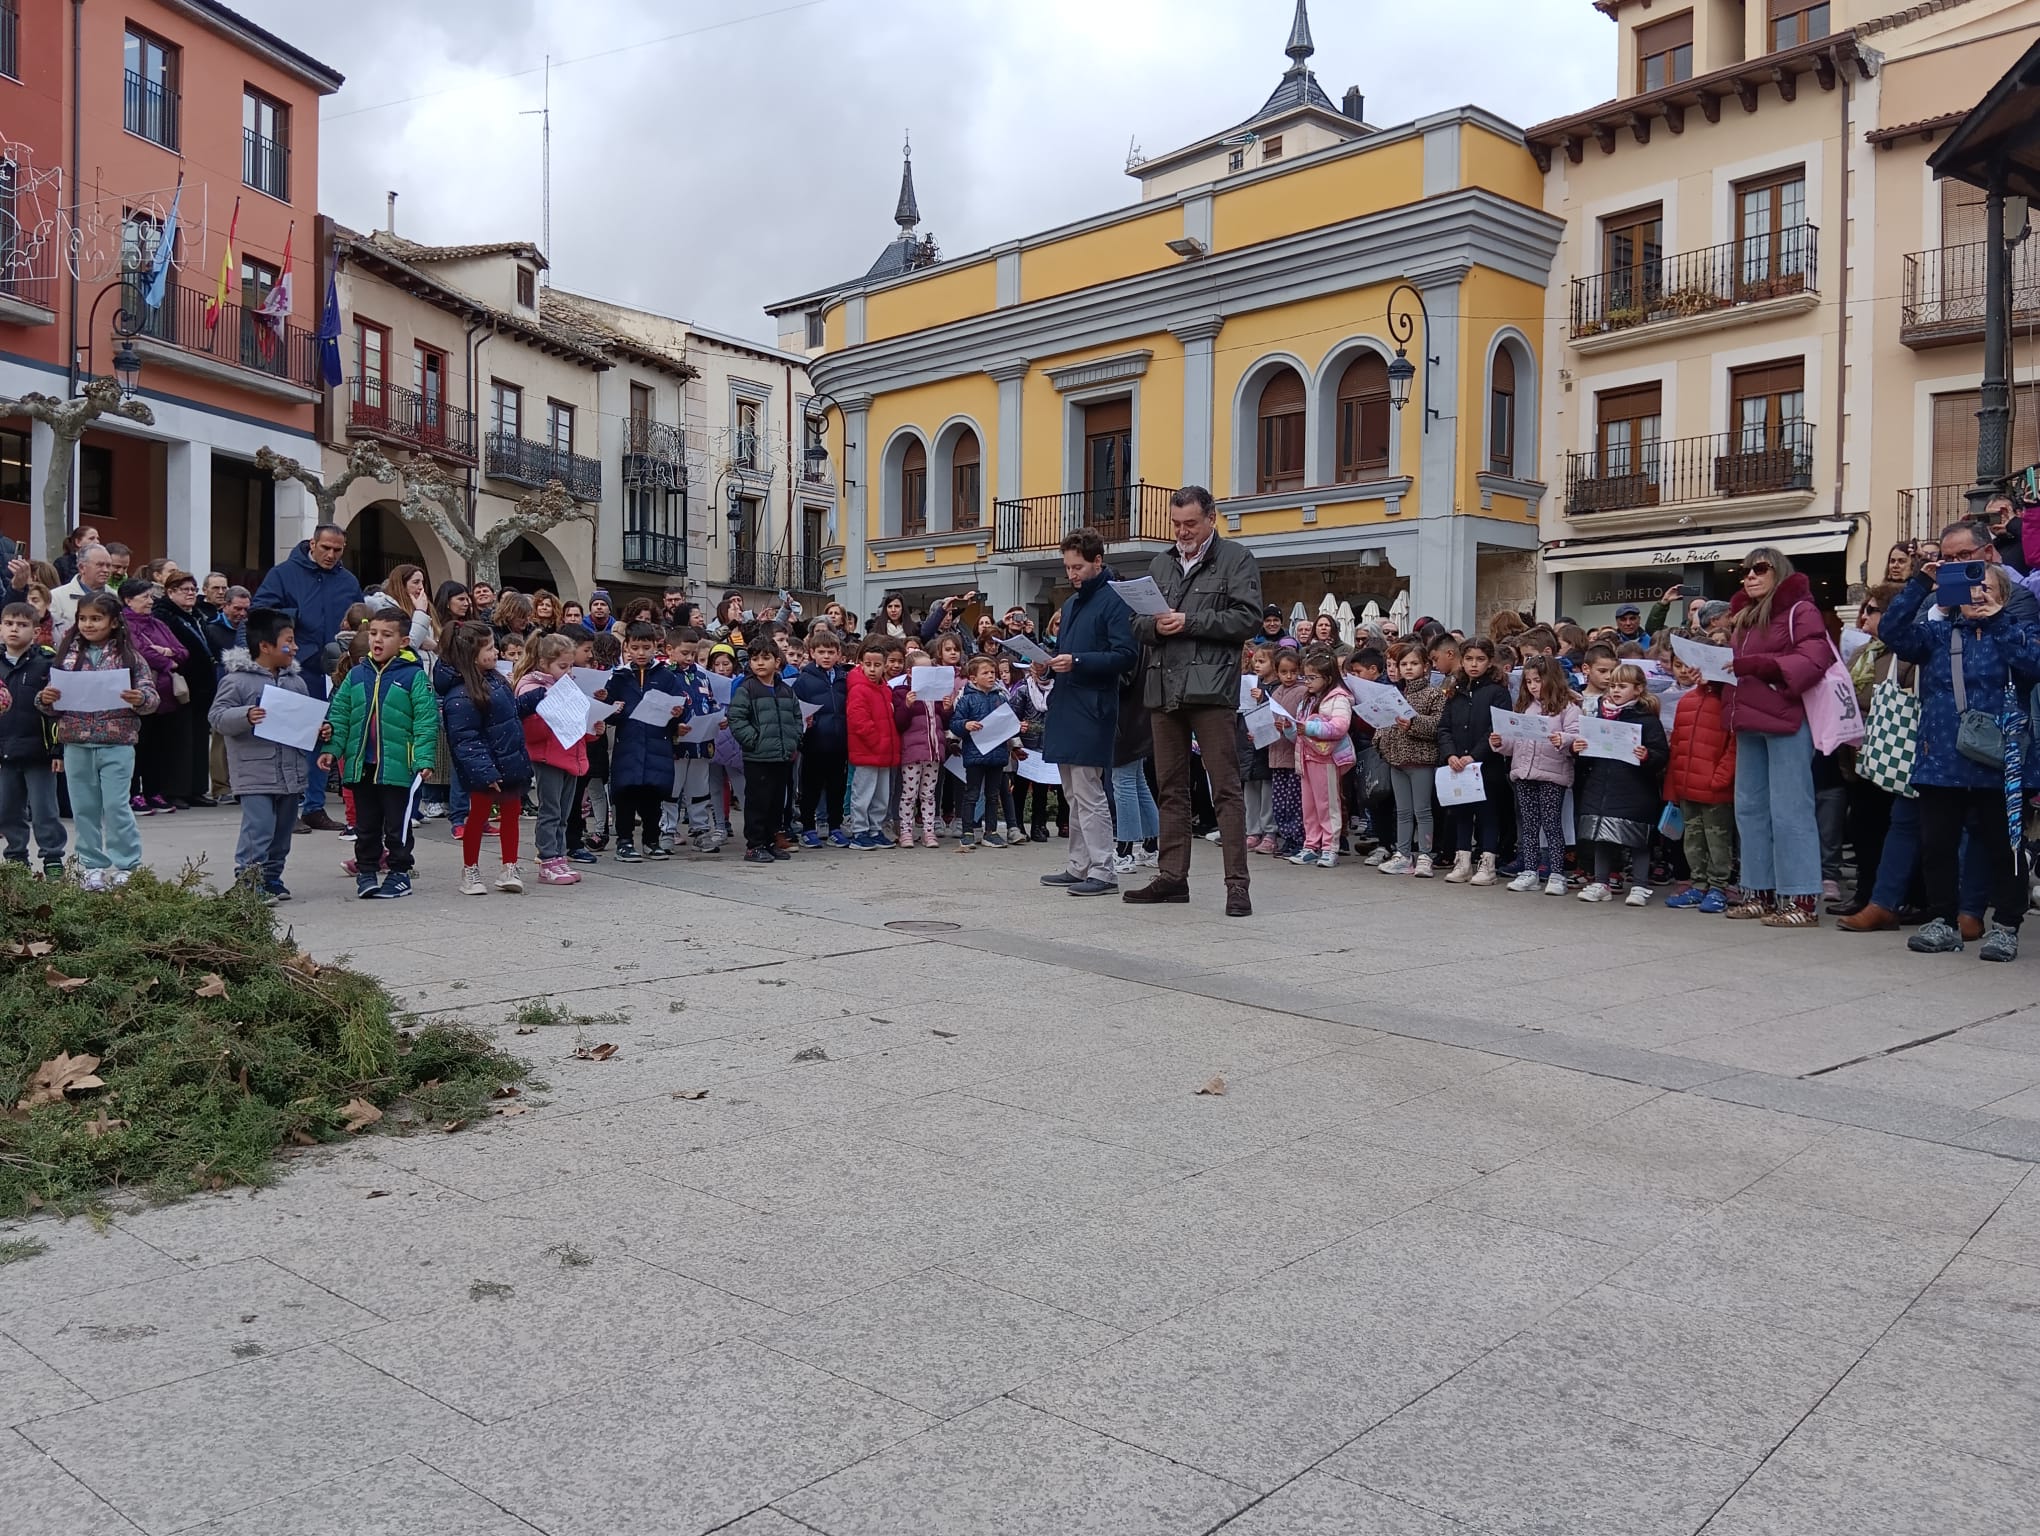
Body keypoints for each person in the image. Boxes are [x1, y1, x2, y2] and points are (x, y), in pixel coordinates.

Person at [1880, 560, 2040, 960]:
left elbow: (2034, 664)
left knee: (2006, 848)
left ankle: (2006, 926)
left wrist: (2000, 621)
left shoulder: (2018, 631)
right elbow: (1892, 632)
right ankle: (1942, 922)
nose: (1976, 594)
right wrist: (1921, 583)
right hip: (1941, 760)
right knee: (1937, 846)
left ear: (2003, 594)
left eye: (1985, 587)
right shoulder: (1936, 633)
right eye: (1968, 586)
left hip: (2000, 762)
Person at [1123, 486, 1263, 916]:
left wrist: (1189, 622)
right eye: (1177, 524)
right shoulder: (1161, 562)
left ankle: (1237, 885)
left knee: (1224, 788)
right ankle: (1172, 878)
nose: (1183, 532)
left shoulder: (1236, 558)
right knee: (1170, 787)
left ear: (1211, 518)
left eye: (1191, 523)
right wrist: (1153, 627)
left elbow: (1249, 618)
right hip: (1163, 686)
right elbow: (1135, 622)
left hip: (1210, 688)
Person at [1722, 547, 1834, 926]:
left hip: (1786, 718)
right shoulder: (1745, 619)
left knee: (1790, 811)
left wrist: (1757, 665)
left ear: (1778, 571)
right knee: (1750, 810)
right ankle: (1759, 893)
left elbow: (1815, 659)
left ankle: (1801, 899)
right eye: (1746, 570)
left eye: (1760, 568)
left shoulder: (1801, 611)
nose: (1750, 576)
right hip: (1749, 718)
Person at [1037, 529, 1136, 896]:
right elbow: (1066, 651)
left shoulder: (1114, 600)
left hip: (1093, 708)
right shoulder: (1075, 602)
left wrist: (1076, 661)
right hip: (1067, 704)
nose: (1071, 574)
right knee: (1072, 794)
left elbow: (1126, 656)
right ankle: (1078, 865)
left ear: (1098, 561)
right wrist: (1046, 664)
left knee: (1089, 792)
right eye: (1067, 567)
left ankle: (1103, 869)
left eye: (1077, 566)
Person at [37, 592, 156, 889]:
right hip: (76, 742)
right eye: (83, 618)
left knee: (116, 806)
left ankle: (127, 864)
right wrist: (47, 699)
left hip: (117, 742)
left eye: (96, 618)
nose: (88, 624)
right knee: (84, 808)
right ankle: (91, 866)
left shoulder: (130, 657)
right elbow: (47, 700)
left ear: (114, 622)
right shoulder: (67, 657)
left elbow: (151, 696)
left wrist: (139, 698)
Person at [252, 524, 363, 832]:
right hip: (294, 668)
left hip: (335, 672)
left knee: (323, 736)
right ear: (312, 543)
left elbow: (358, 622)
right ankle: (286, 808)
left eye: (337, 550)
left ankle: (314, 806)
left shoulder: (348, 580)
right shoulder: (283, 574)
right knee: (288, 738)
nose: (330, 554)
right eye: (325, 547)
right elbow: (260, 615)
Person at [322, 609, 438, 899]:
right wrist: (331, 749)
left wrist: (423, 759)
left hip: (399, 768)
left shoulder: (414, 677)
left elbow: (426, 721)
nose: (377, 640)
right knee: (366, 825)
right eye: (373, 633)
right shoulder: (356, 675)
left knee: (397, 825)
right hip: (363, 766)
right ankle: (367, 871)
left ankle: (399, 873)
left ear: (403, 641)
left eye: (387, 635)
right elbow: (339, 716)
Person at [210, 609, 315, 903]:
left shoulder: (296, 681)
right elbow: (217, 717)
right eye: (289, 641)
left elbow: (304, 720)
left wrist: (321, 729)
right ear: (265, 646)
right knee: (259, 829)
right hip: (255, 772)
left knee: (282, 832)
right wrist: (246, 715)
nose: (294, 648)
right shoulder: (237, 681)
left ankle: (271, 878)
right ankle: (247, 881)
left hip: (290, 772)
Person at [437, 619, 530, 895]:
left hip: (508, 760)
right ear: (471, 655)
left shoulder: (497, 680)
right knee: (477, 816)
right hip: (485, 769)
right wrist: (486, 772)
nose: (496, 652)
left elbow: (510, 714)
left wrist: (536, 697)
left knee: (511, 813)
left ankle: (509, 866)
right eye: (489, 648)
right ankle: (470, 869)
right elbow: (465, 739)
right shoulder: (460, 694)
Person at [1571, 663, 1669, 906]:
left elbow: (1661, 755)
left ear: (1638, 690)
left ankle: (1639, 885)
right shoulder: (1597, 717)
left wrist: (1647, 755)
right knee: (1601, 836)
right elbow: (1588, 758)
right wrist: (1578, 750)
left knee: (1638, 838)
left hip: (1635, 788)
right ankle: (1601, 882)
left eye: (1622, 686)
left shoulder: (1647, 720)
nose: (1615, 691)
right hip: (1601, 785)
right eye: (1613, 686)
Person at [513, 633, 596, 887]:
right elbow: (529, 730)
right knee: (550, 810)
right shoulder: (531, 687)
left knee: (564, 811)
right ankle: (547, 858)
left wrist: (593, 728)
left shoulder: (566, 685)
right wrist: (551, 712)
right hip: (548, 756)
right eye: (563, 666)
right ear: (543, 662)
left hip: (570, 754)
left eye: (571, 666)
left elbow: (576, 719)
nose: (569, 672)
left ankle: (559, 856)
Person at [1491, 655, 1579, 894]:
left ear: (1551, 679)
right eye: (1528, 681)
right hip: (1523, 772)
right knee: (1529, 825)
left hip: (1552, 774)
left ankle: (1557, 873)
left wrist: (1564, 739)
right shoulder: (1523, 706)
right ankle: (1529, 870)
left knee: (1552, 824)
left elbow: (1576, 735)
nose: (1532, 686)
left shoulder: (1567, 707)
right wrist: (1500, 742)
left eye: (1537, 680)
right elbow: (1514, 742)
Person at [1660, 652, 1737, 913]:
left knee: (1718, 842)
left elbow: (1733, 746)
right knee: (1692, 840)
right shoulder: (1686, 701)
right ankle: (1699, 884)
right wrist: (1673, 787)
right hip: (1686, 786)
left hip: (1715, 789)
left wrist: (1721, 778)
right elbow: (1678, 746)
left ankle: (1718, 886)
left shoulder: (1728, 701)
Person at [604, 620, 685, 861]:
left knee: (653, 795)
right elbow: (609, 712)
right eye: (636, 647)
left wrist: (678, 715)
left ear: (655, 648)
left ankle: (652, 840)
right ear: (627, 647)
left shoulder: (666, 676)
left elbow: (679, 704)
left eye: (646, 647)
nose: (641, 653)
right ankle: (625, 841)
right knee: (626, 795)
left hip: (657, 745)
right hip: (628, 745)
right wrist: (610, 706)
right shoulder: (619, 678)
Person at [1436, 637, 1510, 885]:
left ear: (1490, 662)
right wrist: (1450, 754)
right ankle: (1463, 861)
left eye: (1480, 659)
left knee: (1488, 814)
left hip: (1485, 765)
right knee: (1461, 814)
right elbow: (1444, 727)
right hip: (1458, 763)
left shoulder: (1498, 692)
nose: (1474, 664)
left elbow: (1495, 728)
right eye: (1469, 659)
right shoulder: (1456, 690)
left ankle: (1488, 863)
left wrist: (1475, 755)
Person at [0, 602, 63, 876]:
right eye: (9, 623)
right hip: (4, 752)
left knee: (44, 812)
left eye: (23, 625)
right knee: (8, 811)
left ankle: (52, 860)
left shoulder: (47, 664)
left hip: (39, 753)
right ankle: (16, 859)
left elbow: (58, 711)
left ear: (35, 632)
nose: (15, 629)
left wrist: (58, 750)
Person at [1373, 642, 1446, 876]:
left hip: (1421, 760)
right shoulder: (1393, 693)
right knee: (1402, 811)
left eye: (1414, 663)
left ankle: (1425, 854)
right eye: (1403, 664)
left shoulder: (1433, 694)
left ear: (1426, 666)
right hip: (1397, 760)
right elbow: (1382, 724)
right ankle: (1403, 854)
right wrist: (1380, 741)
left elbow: (1439, 725)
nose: (1408, 668)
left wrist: (1413, 723)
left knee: (1422, 810)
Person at [728, 640, 804, 864]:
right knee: (758, 801)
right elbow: (736, 718)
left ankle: (771, 840)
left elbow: (797, 718)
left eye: (765, 658)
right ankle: (755, 844)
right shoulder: (747, 689)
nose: (759, 663)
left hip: (781, 756)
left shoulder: (785, 690)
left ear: (777, 662)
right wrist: (753, 740)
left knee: (776, 801)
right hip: (757, 756)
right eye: (754, 659)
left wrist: (793, 741)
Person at [120, 578, 189, 816]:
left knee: (159, 748)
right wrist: (169, 660)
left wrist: (170, 653)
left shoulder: (158, 623)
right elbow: (140, 651)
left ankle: (154, 790)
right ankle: (134, 794)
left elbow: (183, 650)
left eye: (151, 596)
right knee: (139, 746)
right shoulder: (123, 624)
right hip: (138, 694)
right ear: (128, 600)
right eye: (145, 597)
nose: (151, 601)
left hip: (165, 695)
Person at [1288, 647, 1356, 868]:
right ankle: (1311, 844)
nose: (1307, 682)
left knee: (1327, 805)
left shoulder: (1338, 698)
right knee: (1309, 806)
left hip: (1326, 759)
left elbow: (1339, 726)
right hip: (1306, 757)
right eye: (1305, 677)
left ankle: (1330, 847)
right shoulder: (1307, 699)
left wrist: (1306, 727)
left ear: (1327, 678)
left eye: (1312, 677)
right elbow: (1299, 730)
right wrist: (1288, 728)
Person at [158, 571, 219, 806]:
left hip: (201, 687)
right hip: (180, 685)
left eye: (194, 589)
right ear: (170, 592)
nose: (191, 594)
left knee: (199, 739)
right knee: (178, 740)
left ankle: (196, 788)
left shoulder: (197, 616)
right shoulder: (165, 616)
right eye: (185, 590)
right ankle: (176, 790)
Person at [793, 628, 851, 847]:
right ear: (812, 653)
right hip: (814, 743)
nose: (826, 656)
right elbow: (796, 710)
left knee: (837, 788)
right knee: (811, 789)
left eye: (830, 652)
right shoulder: (804, 681)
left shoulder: (843, 679)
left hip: (839, 743)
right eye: (821, 652)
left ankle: (835, 827)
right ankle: (808, 828)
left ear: (838, 654)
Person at [949, 652, 1013, 850]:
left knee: (993, 795)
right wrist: (966, 724)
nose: (991, 676)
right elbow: (955, 723)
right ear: (973, 678)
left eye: (993, 672)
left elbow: (1009, 721)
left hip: (997, 754)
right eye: (985, 673)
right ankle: (967, 832)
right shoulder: (966, 699)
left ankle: (991, 832)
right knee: (972, 793)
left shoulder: (1000, 698)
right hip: (975, 754)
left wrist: (1018, 730)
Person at [846, 636, 902, 849]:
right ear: (860, 663)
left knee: (881, 794)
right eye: (868, 665)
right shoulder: (859, 689)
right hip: (868, 751)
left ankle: (875, 828)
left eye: (877, 665)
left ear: (884, 666)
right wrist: (877, 742)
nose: (872, 669)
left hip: (884, 752)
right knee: (863, 792)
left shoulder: (885, 689)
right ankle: (860, 831)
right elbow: (859, 721)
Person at [893, 648, 950, 848]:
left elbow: (945, 721)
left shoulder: (935, 693)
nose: (928, 675)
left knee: (928, 794)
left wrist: (947, 707)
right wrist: (907, 706)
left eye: (930, 671)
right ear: (910, 672)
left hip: (934, 750)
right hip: (912, 752)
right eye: (922, 671)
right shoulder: (901, 692)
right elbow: (899, 723)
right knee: (909, 794)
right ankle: (906, 832)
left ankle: (928, 831)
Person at [49, 543, 116, 630]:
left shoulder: (116, 597)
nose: (106, 570)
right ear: (81, 567)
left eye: (108, 566)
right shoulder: (56, 597)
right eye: (100, 565)